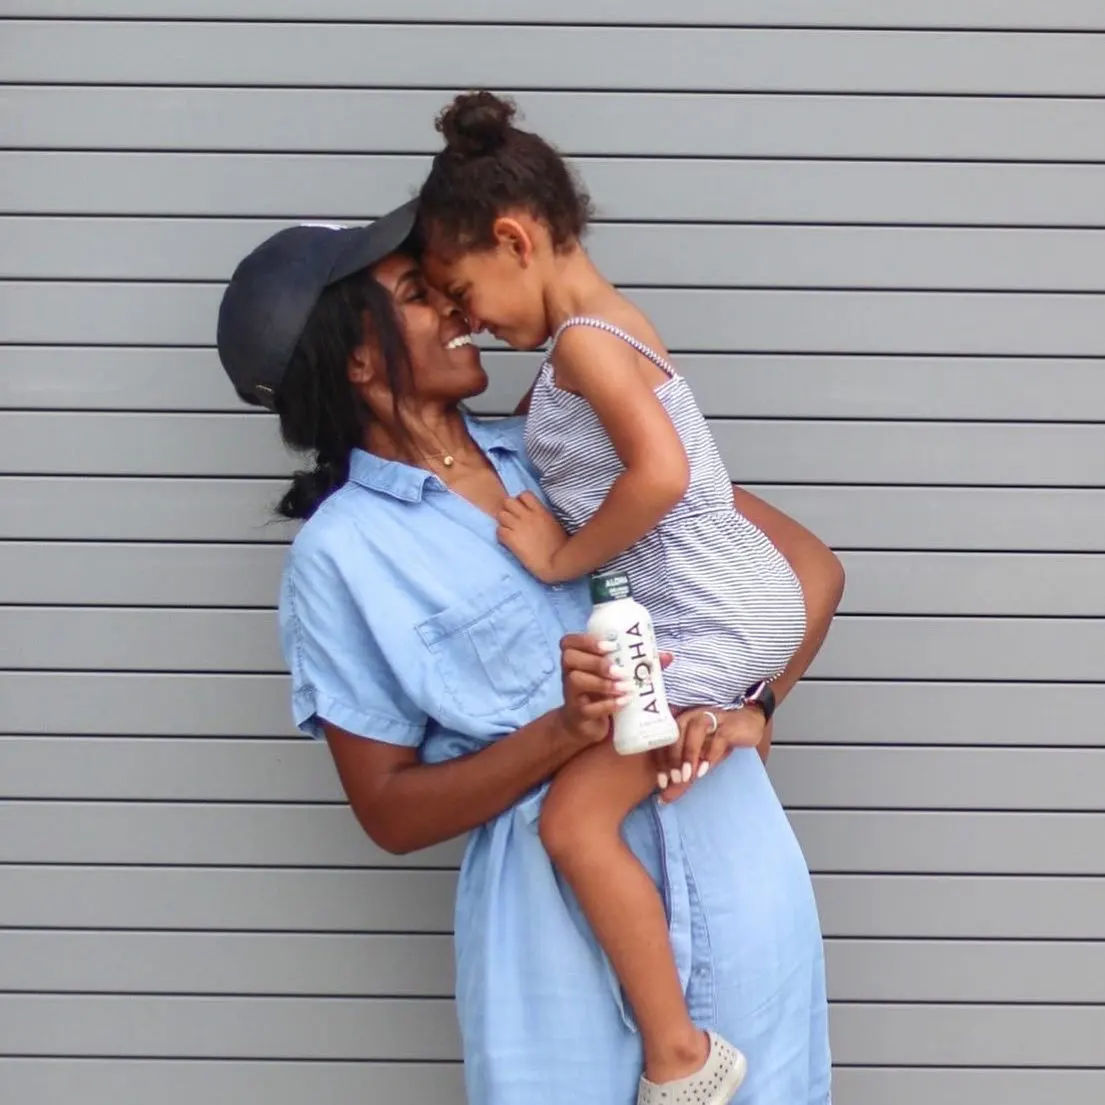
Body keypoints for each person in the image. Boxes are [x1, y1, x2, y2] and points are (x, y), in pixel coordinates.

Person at [215, 201, 843, 1105]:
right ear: (356, 359)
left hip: (735, 865)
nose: (460, 310)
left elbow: (805, 566)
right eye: (421, 296)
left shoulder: (565, 440)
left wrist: (753, 706)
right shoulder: (342, 556)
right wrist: (564, 730)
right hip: (556, 937)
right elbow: (389, 812)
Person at [416, 91, 814, 1103]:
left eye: (464, 296)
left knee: (572, 827)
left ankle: (681, 1056)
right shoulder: (598, 339)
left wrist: (558, 560)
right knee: (611, 799)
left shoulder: (588, 343)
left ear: (516, 238)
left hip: (701, 611)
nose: (466, 326)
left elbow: (661, 475)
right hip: (732, 598)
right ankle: (681, 1040)